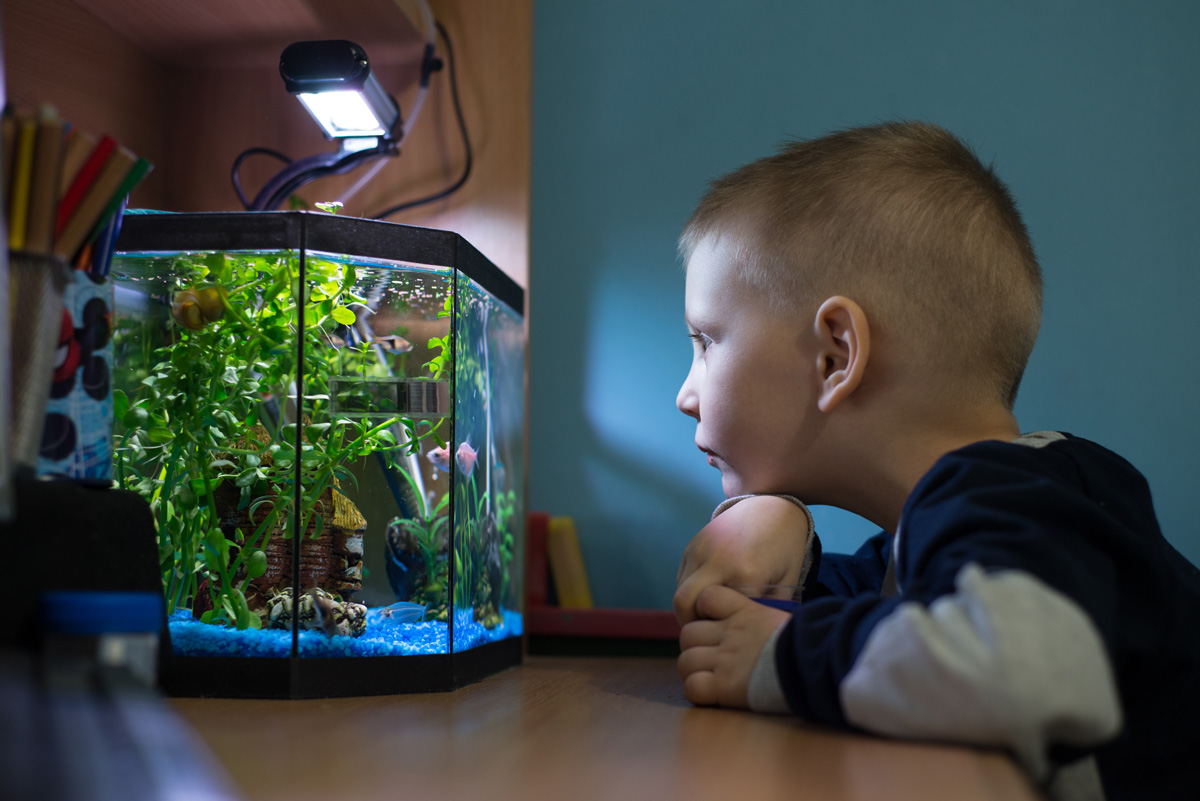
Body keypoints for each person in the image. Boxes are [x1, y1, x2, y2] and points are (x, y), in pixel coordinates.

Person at [671, 121, 1200, 801]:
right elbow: (846, 625)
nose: (687, 394)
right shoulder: (948, 525)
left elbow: (1028, 674)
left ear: (834, 355)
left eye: (706, 340)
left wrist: (782, 656)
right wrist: (781, 537)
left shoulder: (1012, 499)